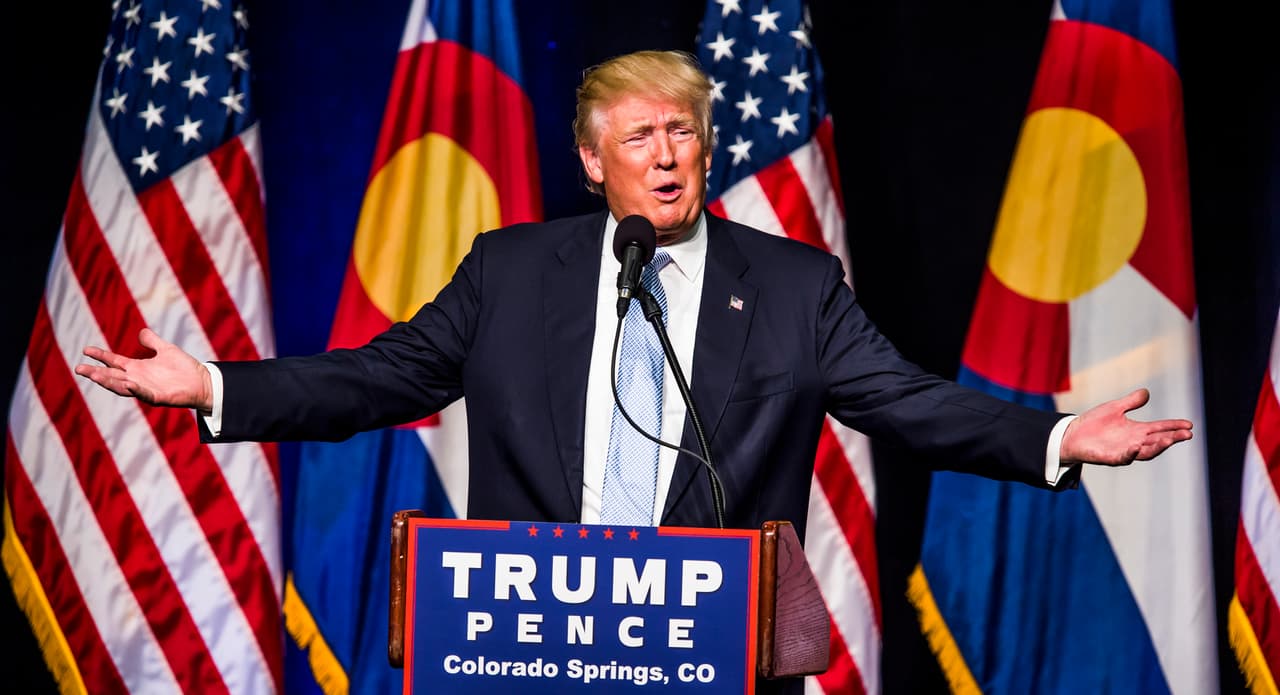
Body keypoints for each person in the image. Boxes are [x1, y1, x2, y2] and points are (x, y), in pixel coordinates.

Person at [75, 49, 1191, 536]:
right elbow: (378, 376)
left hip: (712, 647)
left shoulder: (794, 287)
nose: (664, 155)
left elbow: (906, 400)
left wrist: (1050, 438)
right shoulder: (510, 272)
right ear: (590, 163)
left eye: (682, 134)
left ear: (706, 152)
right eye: (638, 137)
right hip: (532, 646)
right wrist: (216, 383)